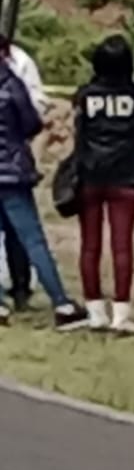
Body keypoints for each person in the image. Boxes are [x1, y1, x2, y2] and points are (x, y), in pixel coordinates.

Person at [0, 34, 89, 330]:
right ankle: (61, 303)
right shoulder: (12, 85)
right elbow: (32, 123)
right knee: (33, 240)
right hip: (12, 172)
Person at [72, 35, 134, 334]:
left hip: (90, 174)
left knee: (89, 245)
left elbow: (79, 130)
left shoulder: (84, 94)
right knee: (122, 246)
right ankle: (121, 314)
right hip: (126, 174)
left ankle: (95, 311)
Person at [1, 40, 47, 310]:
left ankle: (20, 286)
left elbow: (35, 108)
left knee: (18, 231)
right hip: (13, 163)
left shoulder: (20, 62)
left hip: (10, 162)